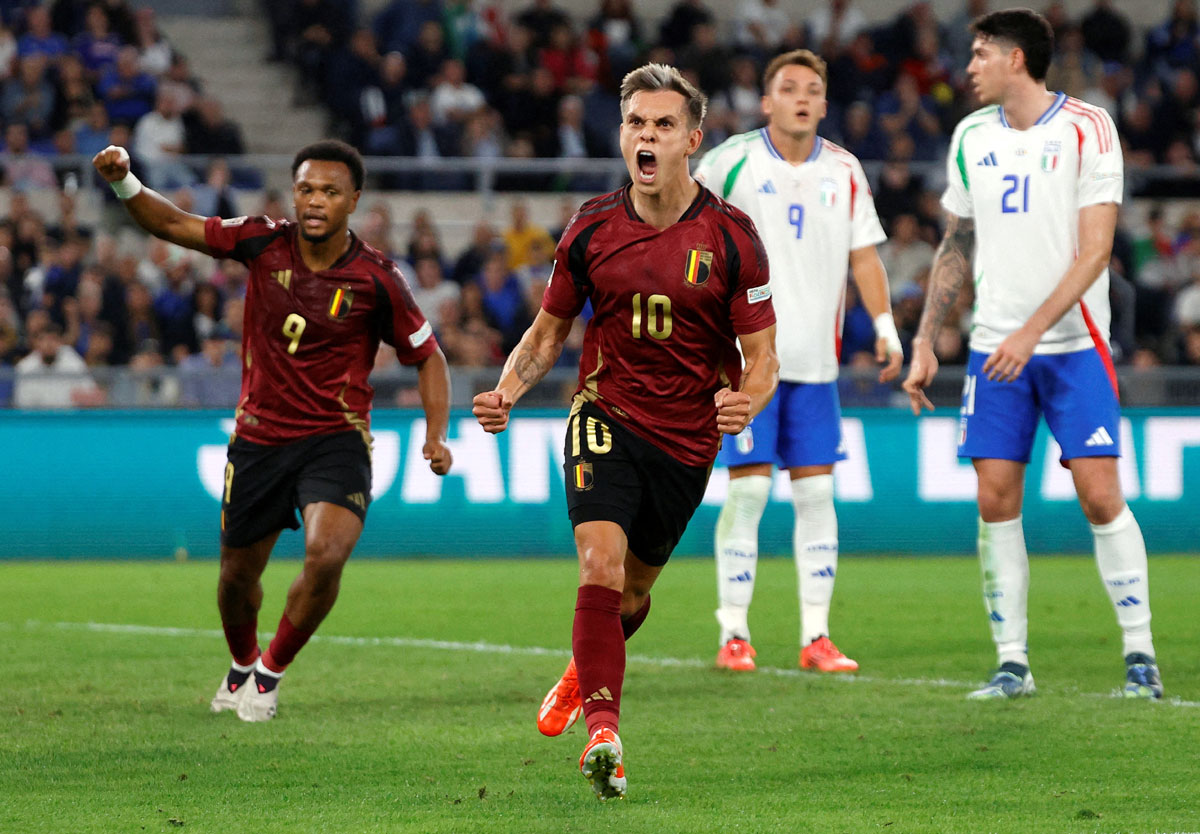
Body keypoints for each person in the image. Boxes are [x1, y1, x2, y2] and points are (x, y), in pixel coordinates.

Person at [472, 64, 778, 800]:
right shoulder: (590, 227)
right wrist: (508, 390)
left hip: (686, 440)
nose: (646, 136)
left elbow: (763, 359)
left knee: (633, 592)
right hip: (604, 414)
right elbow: (548, 334)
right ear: (622, 135)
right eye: (636, 123)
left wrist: (747, 401)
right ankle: (604, 733)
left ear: (692, 141)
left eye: (663, 125)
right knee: (600, 568)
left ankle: (585, 671)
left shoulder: (733, 237)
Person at [92, 138, 454, 721]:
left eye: (330, 192)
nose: (315, 202)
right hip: (259, 437)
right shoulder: (261, 239)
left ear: (353, 200)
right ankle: (241, 662)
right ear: (294, 192)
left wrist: (436, 434)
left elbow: (429, 356)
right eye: (306, 189)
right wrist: (123, 182)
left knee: (327, 554)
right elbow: (174, 225)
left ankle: (270, 674)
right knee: (237, 577)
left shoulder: (378, 279)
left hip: (336, 438)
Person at [902, 9, 1162, 700]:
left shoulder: (1088, 126)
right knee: (994, 498)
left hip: (1074, 346)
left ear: (1016, 59)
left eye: (981, 54)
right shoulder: (969, 137)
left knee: (1100, 495)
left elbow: (1095, 253)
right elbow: (955, 244)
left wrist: (1031, 332)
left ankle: (1141, 656)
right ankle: (1012, 661)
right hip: (993, 350)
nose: (969, 68)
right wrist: (927, 340)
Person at [693, 49, 903, 675]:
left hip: (816, 366)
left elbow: (865, 256)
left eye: (812, 89)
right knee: (751, 492)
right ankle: (735, 632)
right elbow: (685, 228)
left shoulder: (844, 170)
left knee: (816, 497)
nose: (802, 98)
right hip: (749, 364)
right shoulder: (730, 162)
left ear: (824, 103)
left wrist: (888, 328)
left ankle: (817, 637)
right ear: (767, 101)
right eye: (789, 88)